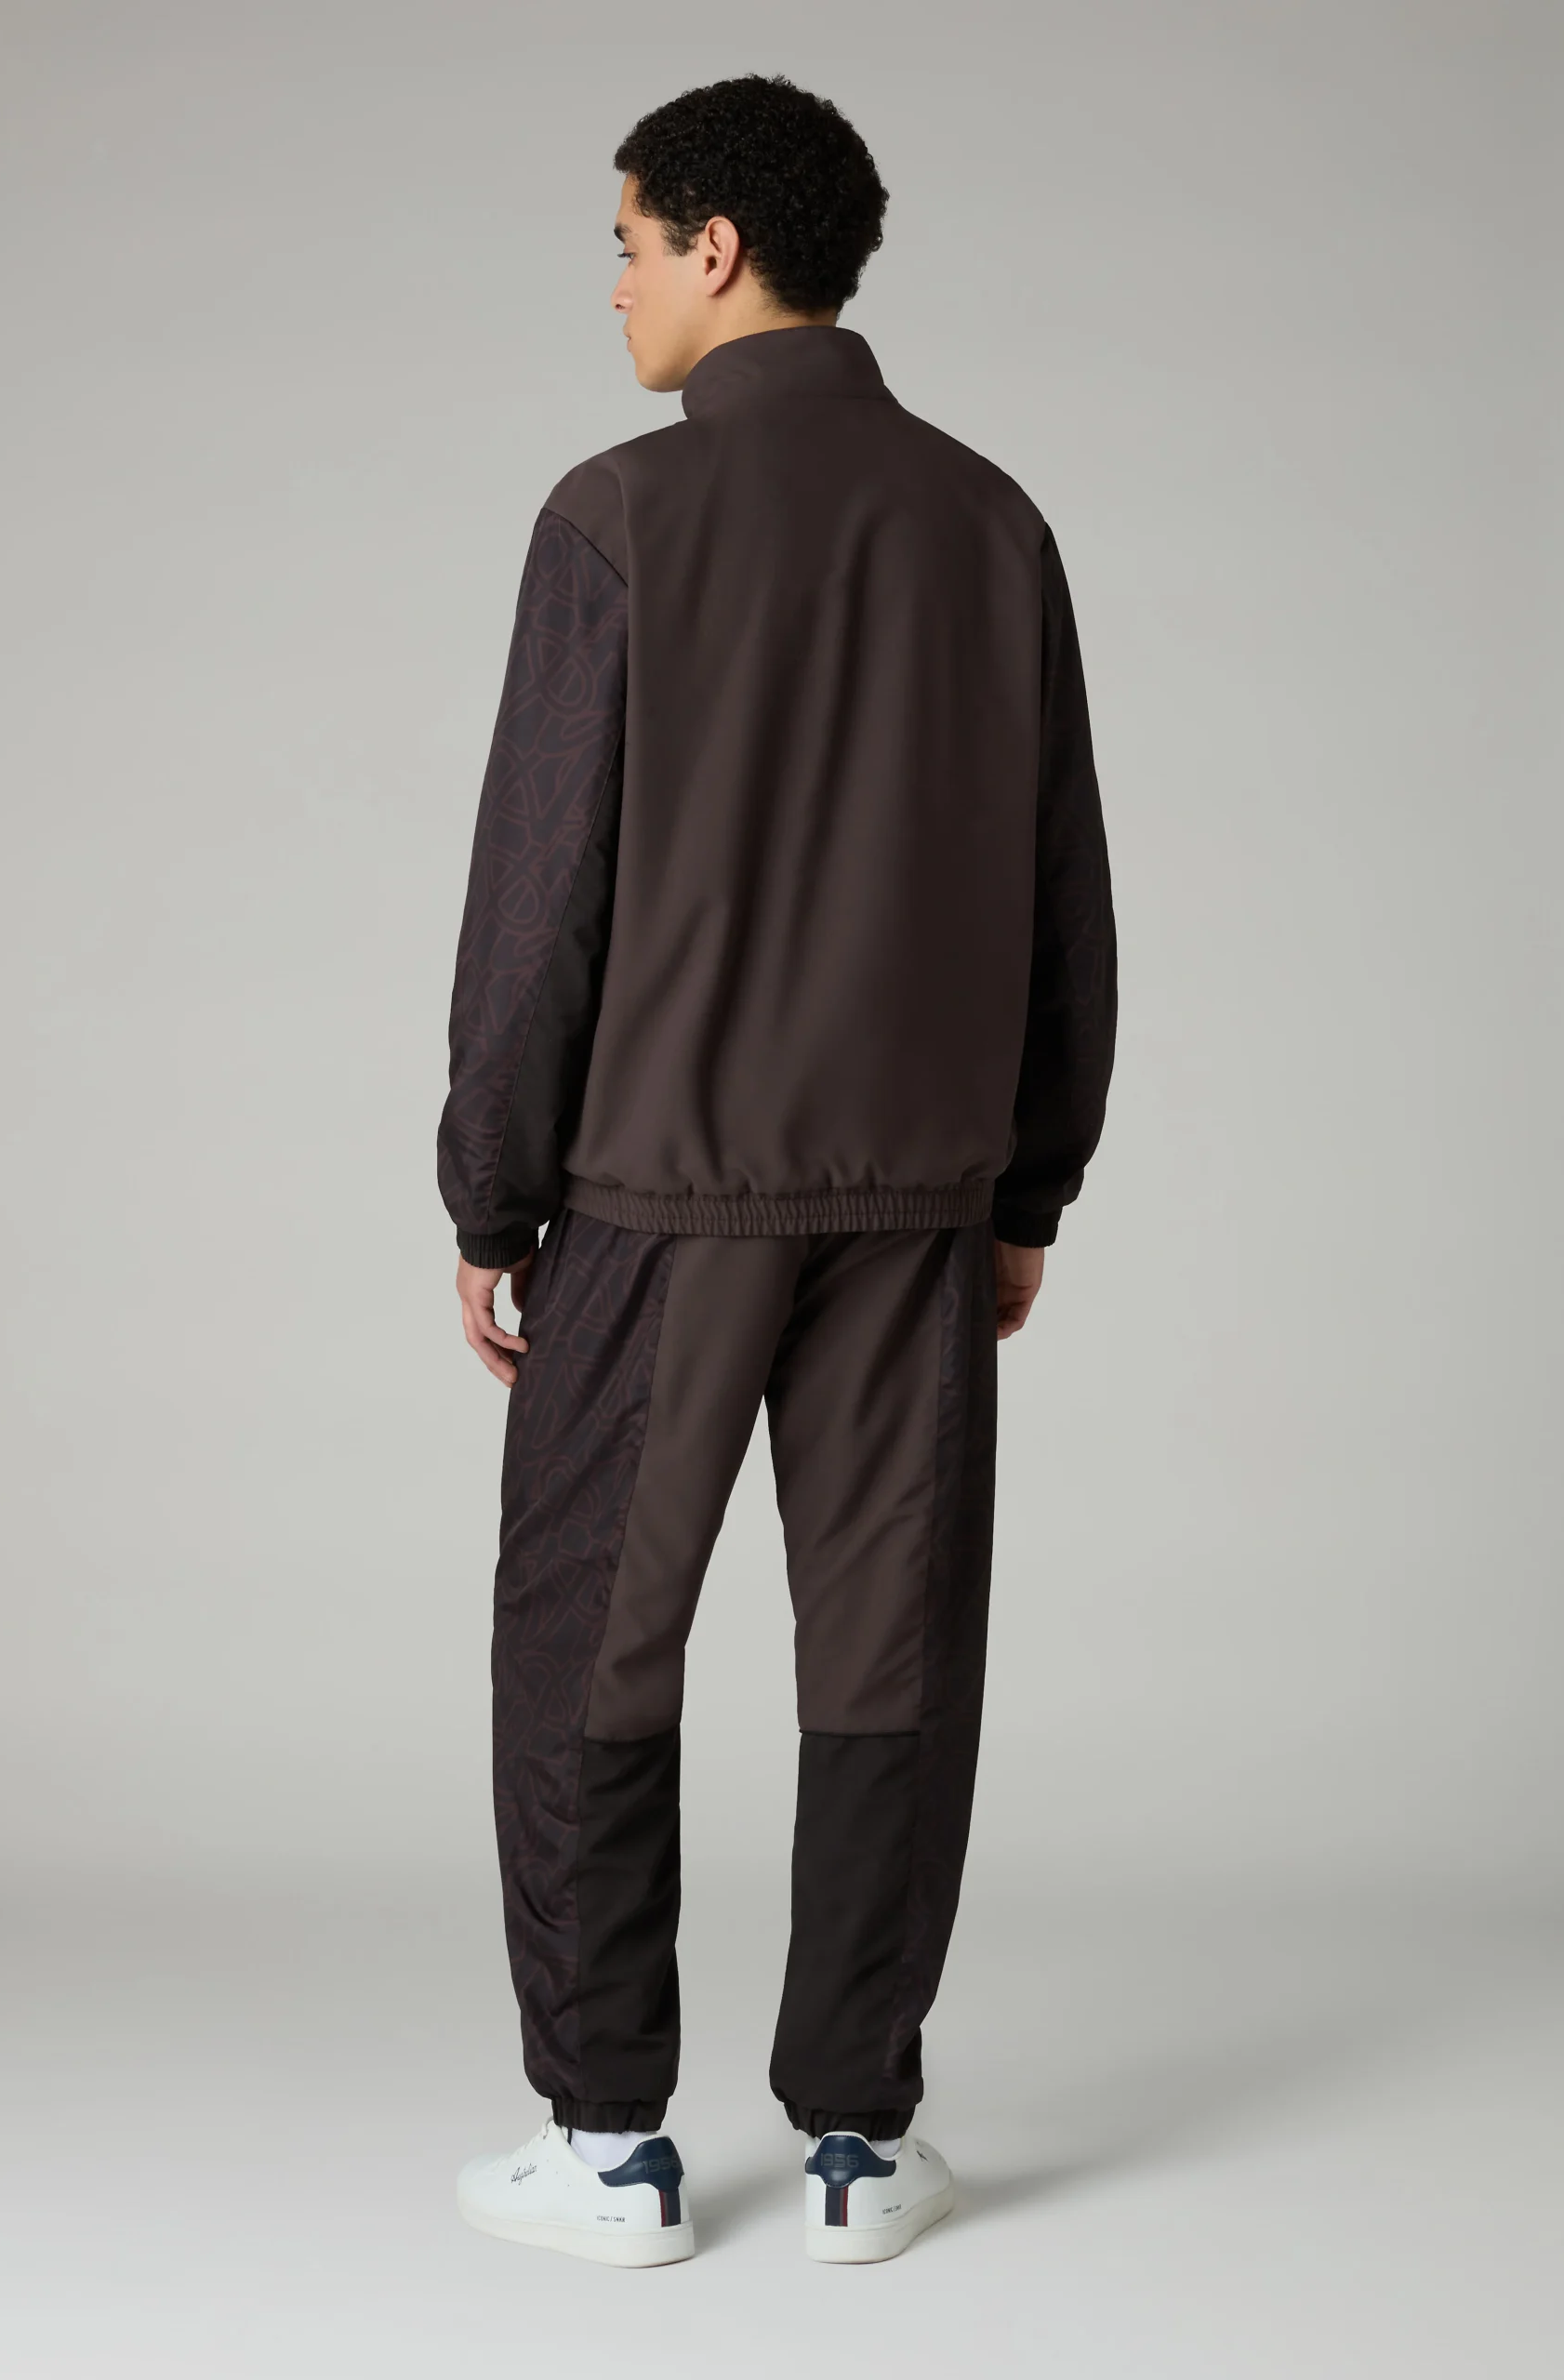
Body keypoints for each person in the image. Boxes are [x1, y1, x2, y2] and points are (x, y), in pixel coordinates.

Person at [441, 73, 1117, 2268]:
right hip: (914, 1204)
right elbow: (1062, 888)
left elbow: (539, 898)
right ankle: (857, 2142)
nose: (617, 287)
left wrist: (490, 1191)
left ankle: (607, 2142)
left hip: (658, 1196)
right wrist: (1023, 1187)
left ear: (716, 245)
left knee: (587, 1645)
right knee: (889, 1653)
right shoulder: (990, 521)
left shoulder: (617, 517)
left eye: (628, 243)